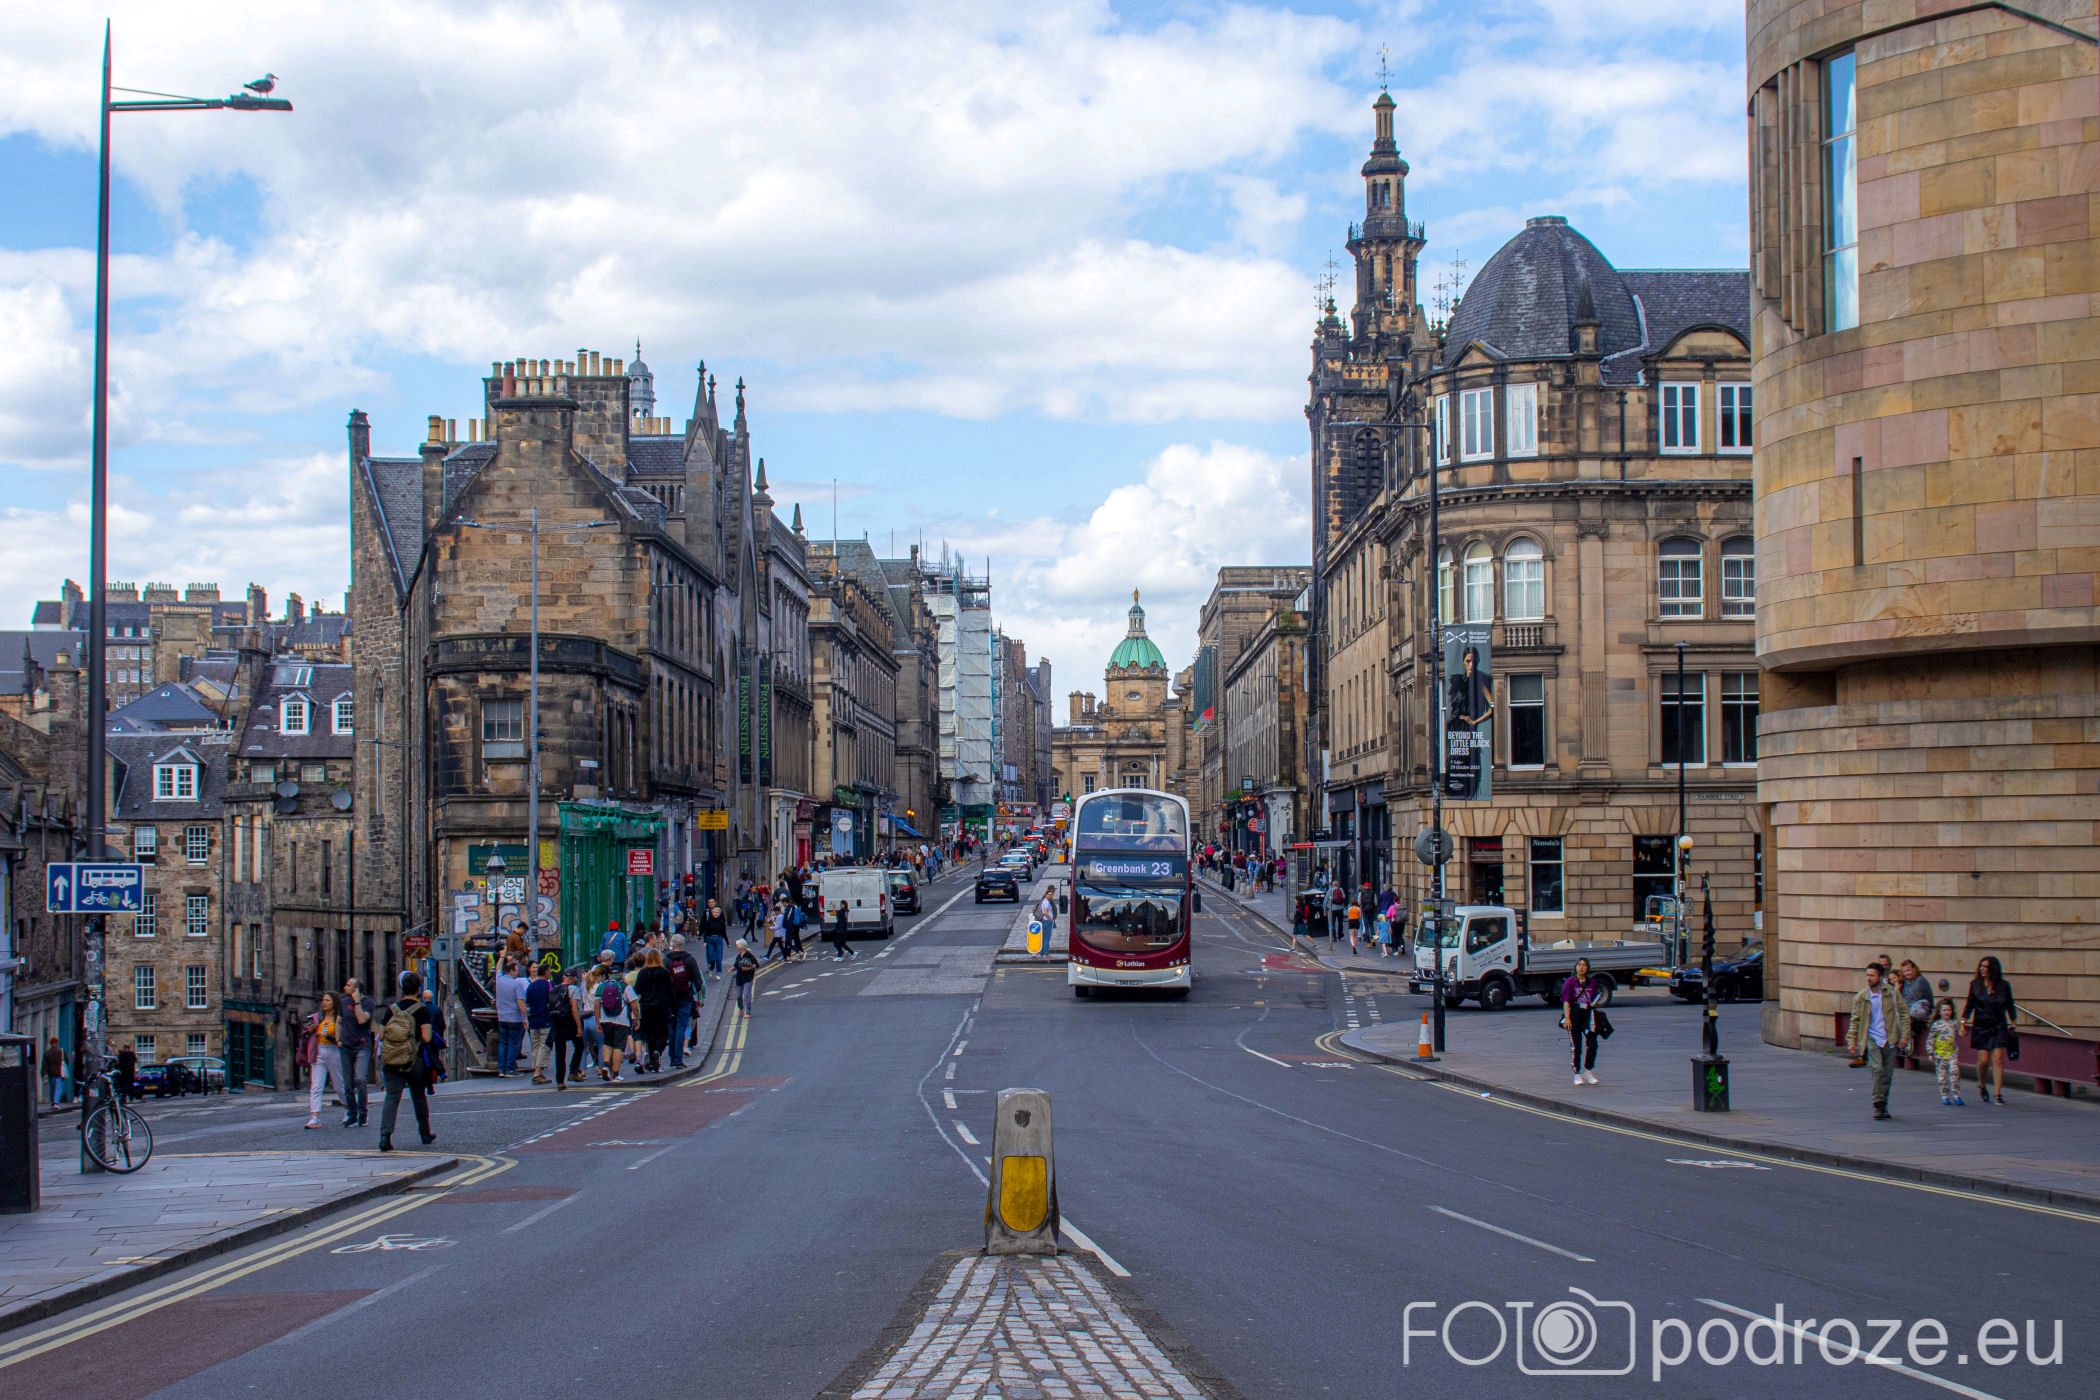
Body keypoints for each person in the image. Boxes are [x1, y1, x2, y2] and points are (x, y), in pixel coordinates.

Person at [376, 970, 436, 1152]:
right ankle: (425, 1134)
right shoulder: (422, 1010)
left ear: (402, 988)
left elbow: (380, 1034)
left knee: (392, 1097)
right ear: (419, 989)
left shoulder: (392, 1009)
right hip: (413, 1060)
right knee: (418, 1096)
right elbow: (426, 1037)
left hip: (392, 1060)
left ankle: (385, 1137)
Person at [1846, 961, 1912, 1120]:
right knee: (1877, 1069)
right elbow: (1855, 1020)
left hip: (1890, 1038)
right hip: (1872, 1038)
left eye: (1872, 975)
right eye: (1867, 975)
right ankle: (1877, 1104)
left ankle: (1884, 1105)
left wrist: (1905, 1036)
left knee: (1887, 1074)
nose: (1869, 978)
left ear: (1880, 977)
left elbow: (1904, 1013)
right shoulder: (1862, 997)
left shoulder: (1892, 993)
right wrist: (1851, 1041)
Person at [1962, 955, 2016, 1105]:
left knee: (1998, 1059)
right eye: (1981, 966)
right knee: (1983, 1061)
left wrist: (2013, 1021)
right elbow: (1970, 1004)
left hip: (1999, 1025)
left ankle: (1997, 1094)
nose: (1982, 969)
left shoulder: (2004, 986)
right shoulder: (1975, 985)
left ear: (1993, 969)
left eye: (1985, 967)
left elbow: (2010, 1003)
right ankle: (1982, 1083)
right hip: (1981, 1026)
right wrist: (1963, 1021)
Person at [1559, 958, 1605, 1086]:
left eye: (1584, 965)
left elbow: (1595, 998)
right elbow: (1566, 1001)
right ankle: (1577, 1073)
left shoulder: (1592, 982)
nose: (1581, 967)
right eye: (1579, 965)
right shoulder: (1570, 982)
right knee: (1576, 1046)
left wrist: (1595, 1002)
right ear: (1575, 967)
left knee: (1592, 1044)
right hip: (1574, 1014)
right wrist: (1567, 1018)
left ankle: (1588, 1071)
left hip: (1588, 1014)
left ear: (1587, 968)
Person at [303, 991, 344, 1129]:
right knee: (316, 1086)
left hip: (334, 1051)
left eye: (328, 1001)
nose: (324, 1003)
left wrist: (327, 1035)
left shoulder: (339, 1018)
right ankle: (314, 1118)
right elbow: (307, 1034)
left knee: (339, 1084)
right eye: (323, 1000)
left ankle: (348, 1110)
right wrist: (310, 1030)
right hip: (319, 1051)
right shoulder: (319, 1017)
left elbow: (341, 1038)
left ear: (334, 1003)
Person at [339, 977, 375, 1127]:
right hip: (346, 1046)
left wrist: (357, 1002)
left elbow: (361, 1020)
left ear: (356, 989)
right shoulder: (343, 1002)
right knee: (347, 1084)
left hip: (362, 1045)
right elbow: (339, 1021)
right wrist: (338, 1040)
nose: (345, 988)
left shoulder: (368, 1003)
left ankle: (363, 1114)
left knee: (360, 1079)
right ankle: (352, 1114)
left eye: (348, 985)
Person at [634, 948, 675, 1074]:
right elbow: (670, 991)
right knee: (664, 1033)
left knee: (650, 1035)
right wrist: (673, 1008)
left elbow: (636, 990)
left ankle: (653, 1062)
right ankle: (658, 1052)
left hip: (646, 1007)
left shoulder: (643, 973)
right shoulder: (664, 972)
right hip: (662, 1007)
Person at [667, 935, 704, 1067]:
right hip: (685, 997)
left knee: (672, 1027)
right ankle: (678, 1059)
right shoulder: (689, 959)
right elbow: (698, 982)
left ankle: (672, 1058)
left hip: (670, 999)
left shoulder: (666, 960)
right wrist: (699, 998)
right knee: (681, 1027)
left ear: (672, 944)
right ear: (682, 944)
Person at [594, 965, 635, 1081]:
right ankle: (616, 1074)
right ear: (621, 974)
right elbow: (634, 1004)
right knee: (619, 1046)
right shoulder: (625, 986)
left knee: (607, 1043)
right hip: (621, 1021)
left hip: (605, 1020)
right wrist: (636, 1018)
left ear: (610, 975)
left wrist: (597, 1022)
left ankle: (606, 1065)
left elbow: (596, 1005)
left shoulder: (601, 986)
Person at [547, 966, 583, 1091]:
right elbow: (574, 1009)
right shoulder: (574, 989)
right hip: (570, 1022)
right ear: (573, 979)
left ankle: (560, 1081)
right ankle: (573, 1072)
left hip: (557, 1022)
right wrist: (579, 1026)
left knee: (560, 1052)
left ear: (564, 977)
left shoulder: (555, 988)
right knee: (579, 1046)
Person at [493, 958, 527, 1077]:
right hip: (514, 1017)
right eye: (516, 970)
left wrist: (502, 957)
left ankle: (501, 1069)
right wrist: (525, 1018)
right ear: (511, 971)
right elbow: (520, 1001)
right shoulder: (517, 983)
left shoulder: (499, 980)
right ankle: (510, 1069)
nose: (518, 972)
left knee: (503, 1043)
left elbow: (498, 969)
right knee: (513, 1043)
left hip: (502, 1017)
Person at [1927, 998, 1964, 1107]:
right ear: (1940, 1012)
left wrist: (1962, 1028)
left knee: (1954, 1073)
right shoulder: (1936, 1025)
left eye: (1949, 1010)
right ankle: (1944, 1095)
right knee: (1942, 1077)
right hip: (1939, 1055)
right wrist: (1930, 1052)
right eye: (1944, 1010)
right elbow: (1931, 1039)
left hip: (1952, 1054)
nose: (1947, 1012)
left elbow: (1961, 1032)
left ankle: (1956, 1095)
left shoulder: (1954, 1023)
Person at [1898, 958, 1932, 1069]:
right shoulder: (1905, 983)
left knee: (1912, 1012)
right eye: (1904, 971)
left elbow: (1914, 998)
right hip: (1909, 1010)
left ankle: (1908, 1040)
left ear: (1914, 969)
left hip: (1922, 1008)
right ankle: (1905, 1041)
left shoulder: (1920, 981)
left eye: (1908, 970)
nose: (1906, 973)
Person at [524, 962, 554, 1084]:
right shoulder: (548, 985)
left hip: (533, 1020)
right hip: (545, 1019)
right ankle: (537, 1073)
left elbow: (527, 1004)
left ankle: (536, 1072)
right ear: (546, 972)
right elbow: (552, 1001)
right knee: (544, 1046)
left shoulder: (531, 986)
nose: (550, 973)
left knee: (535, 1047)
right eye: (549, 971)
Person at [701, 898, 729, 980]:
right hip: (709, 940)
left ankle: (718, 972)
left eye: (717, 912)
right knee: (711, 957)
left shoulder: (721, 922)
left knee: (719, 957)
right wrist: (704, 941)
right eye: (714, 912)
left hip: (719, 939)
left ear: (719, 913)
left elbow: (724, 932)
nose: (716, 913)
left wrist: (728, 943)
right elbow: (706, 932)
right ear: (712, 913)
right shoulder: (708, 921)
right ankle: (711, 967)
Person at [733, 938, 760, 1017]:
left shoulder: (749, 955)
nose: (736, 946)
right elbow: (736, 965)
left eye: (737, 945)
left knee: (746, 995)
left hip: (748, 977)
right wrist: (732, 969)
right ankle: (741, 1008)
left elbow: (756, 964)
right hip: (739, 978)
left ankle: (747, 1012)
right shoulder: (738, 955)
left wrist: (751, 967)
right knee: (738, 996)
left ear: (741, 946)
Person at [41, 1035, 66, 1106]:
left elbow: (44, 1064)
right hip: (59, 1073)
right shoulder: (61, 1051)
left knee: (52, 1088)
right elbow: (67, 1060)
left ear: (50, 1043)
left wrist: (43, 1073)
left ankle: (53, 1102)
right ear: (57, 1043)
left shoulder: (47, 1053)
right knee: (58, 1088)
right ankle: (56, 1102)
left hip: (51, 1073)